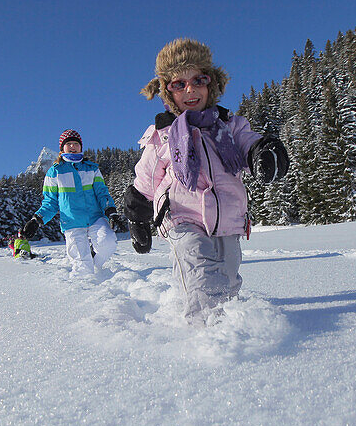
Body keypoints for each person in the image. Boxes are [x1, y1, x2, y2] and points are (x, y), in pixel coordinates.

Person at [123, 38, 288, 322]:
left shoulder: (229, 125)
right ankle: (206, 341)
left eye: (198, 79)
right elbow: (146, 180)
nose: (190, 89)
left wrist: (264, 151)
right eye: (178, 84)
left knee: (227, 281)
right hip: (181, 217)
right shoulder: (163, 134)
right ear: (167, 91)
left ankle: (218, 322)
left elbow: (248, 144)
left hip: (227, 218)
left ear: (211, 84)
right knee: (201, 279)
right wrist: (137, 218)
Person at [23, 130, 125, 276]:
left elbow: (102, 193)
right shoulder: (54, 172)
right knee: (82, 266)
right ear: (62, 148)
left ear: (81, 147)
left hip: (95, 217)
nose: (72, 146)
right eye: (68, 144)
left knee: (107, 243)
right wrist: (37, 219)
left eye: (76, 144)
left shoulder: (92, 169)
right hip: (72, 222)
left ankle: (94, 260)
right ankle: (84, 290)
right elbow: (50, 202)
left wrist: (110, 211)